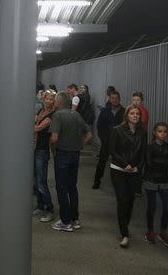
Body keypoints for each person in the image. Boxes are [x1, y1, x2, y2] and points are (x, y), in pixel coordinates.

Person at [49, 92, 92, 232]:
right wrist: (80, 146)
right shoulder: (76, 115)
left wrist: (53, 149)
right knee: (72, 187)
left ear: (59, 103)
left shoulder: (57, 115)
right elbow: (89, 135)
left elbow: (54, 138)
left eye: (55, 101)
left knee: (61, 188)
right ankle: (75, 219)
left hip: (62, 155)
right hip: (75, 154)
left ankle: (65, 222)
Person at [109, 105, 147, 248]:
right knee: (122, 200)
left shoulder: (142, 132)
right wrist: (125, 164)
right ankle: (124, 234)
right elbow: (112, 150)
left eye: (137, 114)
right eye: (132, 113)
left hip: (134, 171)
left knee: (131, 201)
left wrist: (139, 167)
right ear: (127, 115)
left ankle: (125, 226)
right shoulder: (117, 130)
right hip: (119, 169)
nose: (135, 116)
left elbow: (143, 152)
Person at [144, 122, 168, 248]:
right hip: (151, 180)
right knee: (152, 207)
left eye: (165, 131)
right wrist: (164, 162)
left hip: (164, 181)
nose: (162, 134)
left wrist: (158, 162)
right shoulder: (150, 147)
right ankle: (150, 231)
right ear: (154, 132)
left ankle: (163, 231)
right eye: (160, 131)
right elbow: (149, 164)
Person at [92, 91, 125, 189]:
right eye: (112, 98)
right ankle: (97, 181)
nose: (114, 100)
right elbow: (99, 125)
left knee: (120, 163)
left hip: (119, 143)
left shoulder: (124, 112)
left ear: (119, 99)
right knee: (102, 162)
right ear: (109, 99)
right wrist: (103, 137)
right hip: (107, 141)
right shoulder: (105, 111)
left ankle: (120, 184)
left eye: (116, 98)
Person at [33, 90, 56, 223]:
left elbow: (37, 128)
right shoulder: (41, 110)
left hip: (42, 150)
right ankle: (40, 205)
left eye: (51, 99)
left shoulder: (52, 115)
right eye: (47, 98)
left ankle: (49, 209)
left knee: (42, 182)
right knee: (36, 180)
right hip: (35, 149)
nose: (48, 101)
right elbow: (35, 122)